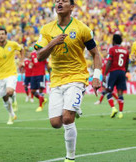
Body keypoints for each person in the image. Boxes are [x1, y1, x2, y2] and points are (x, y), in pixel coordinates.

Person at [34, 0, 101, 161]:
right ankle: (74, 107)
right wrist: (52, 43)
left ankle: (70, 158)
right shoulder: (47, 29)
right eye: (57, 1)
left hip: (77, 77)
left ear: (71, 7)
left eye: (63, 1)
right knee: (56, 123)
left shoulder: (82, 29)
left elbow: (95, 54)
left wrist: (97, 75)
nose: (59, 3)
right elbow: (39, 56)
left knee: (67, 118)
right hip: (57, 79)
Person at [0, 27, 24, 125]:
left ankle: (14, 97)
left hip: (11, 73)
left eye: (3, 34)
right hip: (0, 76)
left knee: (9, 91)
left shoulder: (12, 44)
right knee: (4, 98)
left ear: (6, 35)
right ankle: (11, 115)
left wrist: (21, 61)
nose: (1, 36)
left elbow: (22, 49)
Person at [103, 34, 129, 119]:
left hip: (113, 72)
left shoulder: (112, 49)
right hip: (122, 72)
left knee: (108, 91)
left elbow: (109, 62)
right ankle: (121, 113)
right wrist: (124, 72)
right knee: (120, 92)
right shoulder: (125, 50)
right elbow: (127, 63)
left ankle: (113, 108)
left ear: (113, 41)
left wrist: (105, 73)